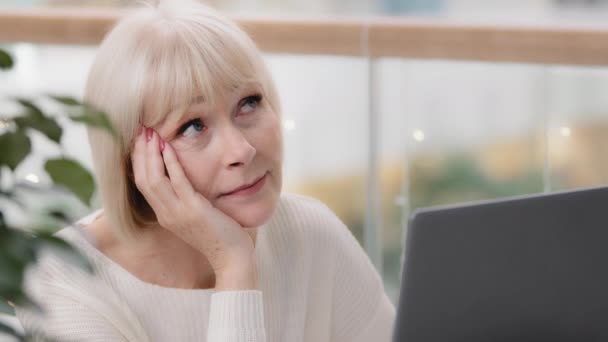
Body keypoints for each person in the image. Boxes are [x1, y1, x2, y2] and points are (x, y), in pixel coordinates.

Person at [16, 1, 395, 341]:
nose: (242, 151)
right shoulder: (63, 282)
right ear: (134, 163)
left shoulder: (311, 234)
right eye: (193, 126)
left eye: (248, 102)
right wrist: (233, 265)